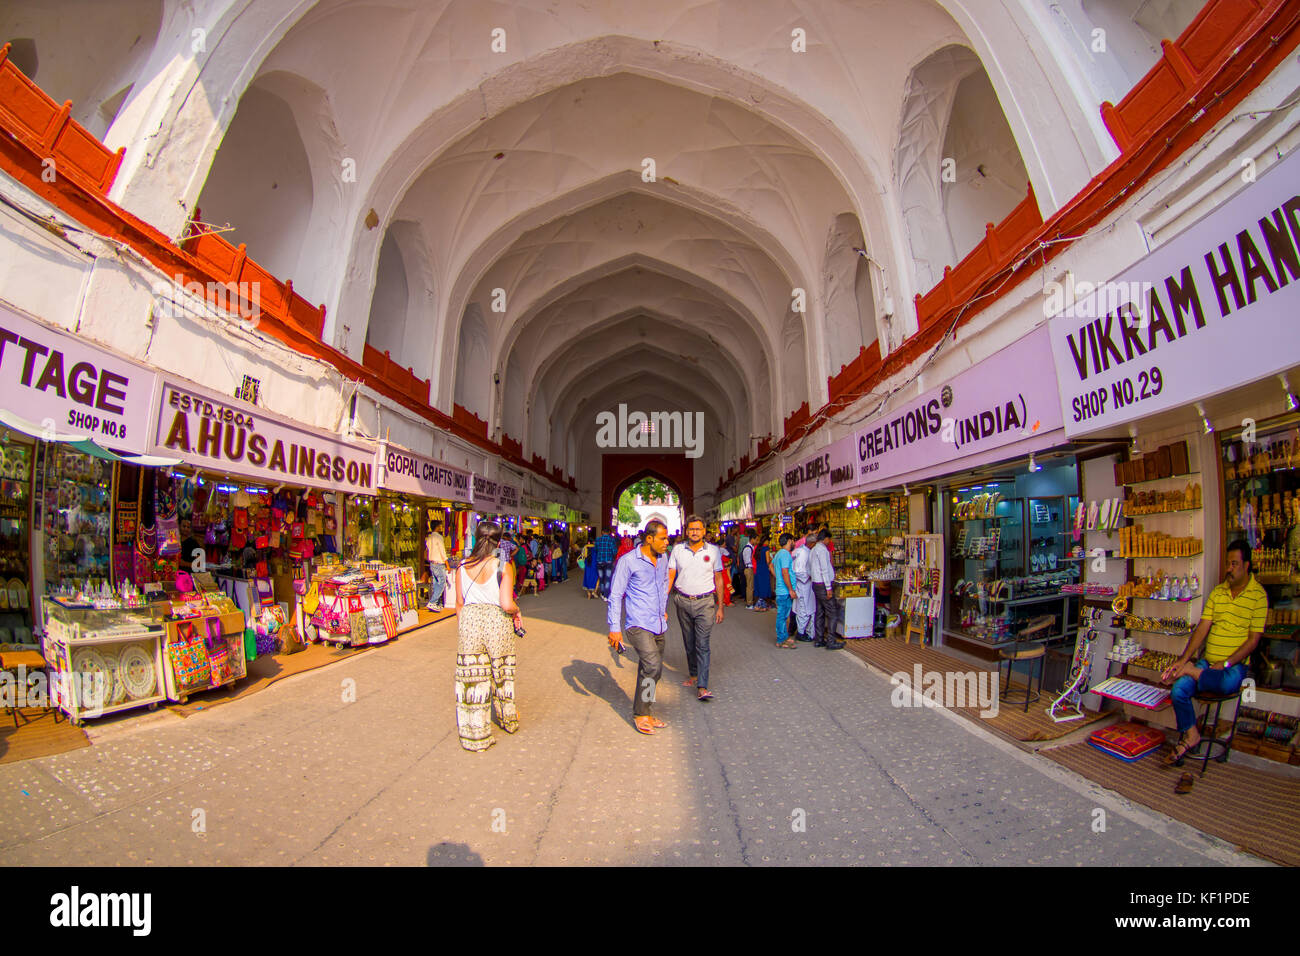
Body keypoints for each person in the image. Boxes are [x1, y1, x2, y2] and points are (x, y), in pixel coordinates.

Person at [1161, 539, 1266, 765]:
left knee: (1226, 684)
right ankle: (1192, 735)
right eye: (1228, 563)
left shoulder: (1259, 596)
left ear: (1247, 565)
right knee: (1179, 690)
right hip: (1208, 662)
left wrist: (1227, 663)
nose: (1229, 568)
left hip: (1233, 666)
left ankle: (1194, 672)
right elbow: (1203, 628)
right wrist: (1183, 660)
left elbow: (1253, 641)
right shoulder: (1218, 593)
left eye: (1234, 564)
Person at [453, 520, 523, 752]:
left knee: (473, 680)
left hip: (469, 621)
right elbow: (506, 603)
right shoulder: (503, 566)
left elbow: (459, 604)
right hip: (496, 621)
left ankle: (475, 734)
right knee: (501, 673)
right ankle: (507, 719)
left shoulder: (462, 566)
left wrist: (465, 628)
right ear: (498, 540)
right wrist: (517, 611)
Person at [608, 520, 671, 735]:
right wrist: (614, 628)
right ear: (649, 538)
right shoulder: (628, 561)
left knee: (653, 669)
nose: (666, 542)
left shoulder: (663, 558)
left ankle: (646, 711)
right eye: (662, 538)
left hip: (658, 622)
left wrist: (663, 608)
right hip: (637, 623)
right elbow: (616, 595)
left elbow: (663, 584)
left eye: (667, 538)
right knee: (652, 666)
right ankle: (640, 713)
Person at [667, 515, 727, 701]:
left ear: (704, 531)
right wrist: (662, 605)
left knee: (702, 644)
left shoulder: (714, 551)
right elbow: (670, 576)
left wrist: (720, 607)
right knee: (689, 641)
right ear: (687, 531)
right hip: (682, 601)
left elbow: (719, 579)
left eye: (698, 529)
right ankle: (693, 674)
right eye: (691, 529)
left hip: (706, 602)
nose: (694, 532)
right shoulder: (677, 550)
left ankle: (702, 686)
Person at [810, 530, 845, 649]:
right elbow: (824, 569)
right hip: (823, 585)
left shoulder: (814, 549)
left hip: (816, 584)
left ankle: (819, 639)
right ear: (825, 538)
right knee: (832, 613)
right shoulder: (822, 550)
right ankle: (831, 640)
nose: (829, 541)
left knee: (820, 612)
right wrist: (828, 588)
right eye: (829, 539)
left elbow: (811, 568)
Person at [772, 533, 797, 647]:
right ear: (789, 541)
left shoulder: (778, 554)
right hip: (785, 591)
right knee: (782, 615)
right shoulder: (786, 554)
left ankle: (784, 637)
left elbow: (771, 566)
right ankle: (781, 639)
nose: (793, 543)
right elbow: (785, 571)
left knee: (783, 615)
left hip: (781, 589)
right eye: (792, 541)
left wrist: (778, 578)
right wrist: (790, 589)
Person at [792, 533, 814, 642]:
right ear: (811, 543)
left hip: (805, 586)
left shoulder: (801, 551)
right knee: (803, 609)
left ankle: (804, 631)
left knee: (804, 608)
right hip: (803, 585)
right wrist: (809, 575)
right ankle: (801, 632)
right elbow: (798, 571)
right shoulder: (803, 553)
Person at [425, 519, 449, 611]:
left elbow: (428, 550)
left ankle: (436, 603)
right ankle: (432, 602)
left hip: (432, 563)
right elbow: (442, 552)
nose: (441, 527)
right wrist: (447, 564)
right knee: (442, 583)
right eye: (440, 526)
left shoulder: (429, 538)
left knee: (436, 583)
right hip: (439, 563)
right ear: (437, 527)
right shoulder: (439, 537)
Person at [594, 526, 619, 601]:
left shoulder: (598, 540)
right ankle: (606, 595)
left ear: (602, 532)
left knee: (601, 578)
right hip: (608, 561)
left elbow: (596, 549)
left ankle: (602, 593)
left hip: (599, 561)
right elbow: (614, 551)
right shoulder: (611, 540)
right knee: (608, 579)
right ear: (609, 533)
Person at [752, 533, 773, 611]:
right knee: (764, 585)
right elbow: (767, 561)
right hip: (764, 569)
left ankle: (763, 606)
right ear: (766, 541)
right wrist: (771, 559)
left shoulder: (757, 548)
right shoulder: (766, 549)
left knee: (760, 586)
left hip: (758, 569)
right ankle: (758, 605)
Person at [740, 533, 756, 609]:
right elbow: (747, 561)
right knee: (749, 586)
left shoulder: (751, 547)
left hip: (750, 568)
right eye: (756, 539)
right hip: (748, 569)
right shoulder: (748, 548)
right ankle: (749, 603)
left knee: (751, 586)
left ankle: (750, 601)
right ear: (752, 539)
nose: (757, 541)